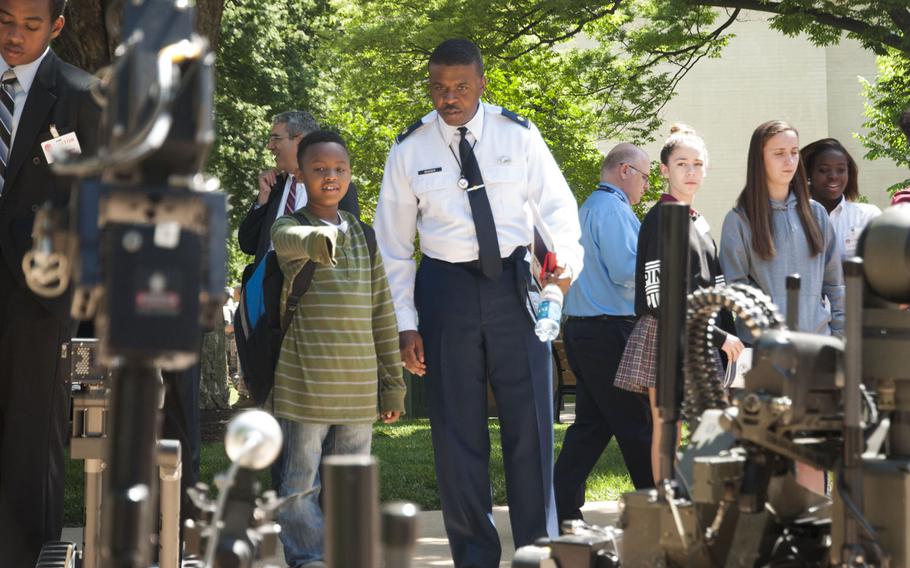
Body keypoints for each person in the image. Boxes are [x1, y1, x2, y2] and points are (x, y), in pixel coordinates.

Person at [374, 38, 584, 567]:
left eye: (460, 87)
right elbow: (394, 247)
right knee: (455, 431)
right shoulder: (409, 148)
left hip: (514, 286)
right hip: (445, 290)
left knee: (532, 425)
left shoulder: (520, 134)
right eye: (439, 88)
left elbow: (558, 210)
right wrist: (406, 323)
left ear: (482, 83)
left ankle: (538, 550)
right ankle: (473, 554)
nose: (449, 98)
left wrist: (558, 283)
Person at [270, 130, 405, 568]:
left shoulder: (364, 237)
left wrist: (393, 386)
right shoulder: (289, 226)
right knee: (298, 485)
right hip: (306, 383)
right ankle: (309, 557)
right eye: (319, 169)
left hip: (359, 388)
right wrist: (315, 240)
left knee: (351, 484)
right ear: (302, 174)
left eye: (339, 169)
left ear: (350, 175)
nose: (331, 177)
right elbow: (285, 243)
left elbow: (382, 314)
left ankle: (347, 555)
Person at [0, 0, 100, 564]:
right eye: (5, 21)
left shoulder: (82, 95)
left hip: (38, 290)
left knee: (31, 434)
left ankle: (23, 554)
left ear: (57, 26)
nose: (16, 36)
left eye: (32, 25)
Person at [719, 120, 844, 494]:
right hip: (766, 362)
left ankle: (817, 542)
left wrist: (839, 339)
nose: (790, 161)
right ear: (760, 159)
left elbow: (835, 285)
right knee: (768, 460)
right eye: (779, 153)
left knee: (811, 456)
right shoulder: (739, 220)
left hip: (818, 356)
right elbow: (736, 292)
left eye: (794, 152)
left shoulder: (817, 215)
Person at [613, 124, 742, 485]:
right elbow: (660, 296)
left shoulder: (698, 221)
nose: (690, 171)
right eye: (682, 163)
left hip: (706, 337)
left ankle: (701, 508)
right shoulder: (659, 219)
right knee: (667, 425)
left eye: (698, 164)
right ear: (665, 170)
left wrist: (728, 339)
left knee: (712, 427)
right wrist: (717, 335)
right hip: (666, 333)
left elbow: (716, 289)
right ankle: (666, 511)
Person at [553, 143, 655, 524]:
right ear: (625, 171)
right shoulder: (612, 210)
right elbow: (627, 271)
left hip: (587, 332)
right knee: (637, 424)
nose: (646, 185)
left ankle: (560, 508)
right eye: (645, 176)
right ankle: (659, 509)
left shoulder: (591, 208)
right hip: (608, 332)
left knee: (592, 428)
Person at [238, 110, 360, 265]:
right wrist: (262, 199)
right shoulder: (274, 187)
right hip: (266, 287)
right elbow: (248, 245)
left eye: (276, 139)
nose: (269, 146)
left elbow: (346, 251)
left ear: (300, 141)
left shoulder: (339, 189)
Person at [801, 138, 880, 259]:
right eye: (823, 170)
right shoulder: (795, 217)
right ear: (809, 174)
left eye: (841, 170)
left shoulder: (867, 216)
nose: (833, 176)